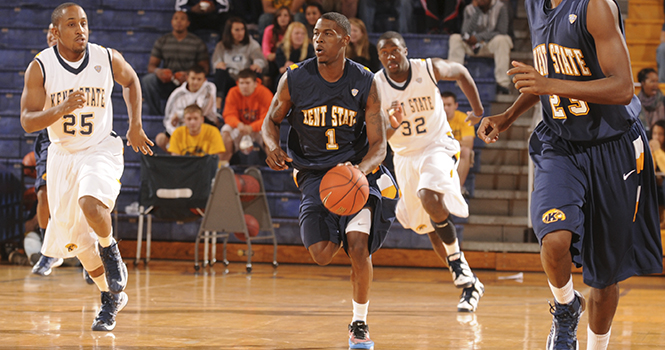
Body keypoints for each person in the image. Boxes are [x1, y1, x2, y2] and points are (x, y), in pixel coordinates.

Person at [477, 0, 663, 348]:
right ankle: (565, 309)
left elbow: (623, 88)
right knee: (554, 238)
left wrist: (550, 85)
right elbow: (550, 71)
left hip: (613, 146)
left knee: (604, 274)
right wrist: (508, 115)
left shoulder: (596, 7)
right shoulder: (535, 6)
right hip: (560, 142)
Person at [261, 12, 398, 349]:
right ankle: (335, 223)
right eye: (316, 33)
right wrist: (272, 146)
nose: (318, 40)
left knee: (358, 246)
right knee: (322, 253)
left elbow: (379, 146)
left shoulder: (365, 80)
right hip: (312, 174)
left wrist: (359, 173)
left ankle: (360, 323)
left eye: (327, 34)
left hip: (355, 172)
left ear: (345, 40)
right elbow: (270, 121)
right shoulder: (294, 78)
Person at [20, 2, 153, 331]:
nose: (80, 29)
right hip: (63, 154)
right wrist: (61, 108)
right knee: (78, 243)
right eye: (71, 24)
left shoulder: (106, 57)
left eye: (84, 23)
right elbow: (26, 121)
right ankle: (111, 298)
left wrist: (135, 125)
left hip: (100, 147)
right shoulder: (40, 67)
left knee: (90, 204)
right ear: (56, 32)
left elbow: (133, 81)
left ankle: (111, 250)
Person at [375, 31, 485, 312]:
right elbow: (380, 136)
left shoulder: (427, 68)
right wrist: (393, 124)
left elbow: (460, 71)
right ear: (379, 57)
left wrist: (477, 108)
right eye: (384, 52)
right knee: (428, 226)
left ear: (405, 50)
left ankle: (458, 263)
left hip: (437, 145)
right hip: (404, 156)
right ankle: (468, 282)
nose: (390, 56)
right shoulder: (375, 86)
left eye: (395, 50)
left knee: (428, 195)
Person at [141, 11, 210, 115]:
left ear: (188, 23)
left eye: (182, 19)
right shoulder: (162, 41)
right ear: (171, 22)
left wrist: (188, 75)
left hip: (188, 82)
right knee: (148, 80)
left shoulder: (197, 42)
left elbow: (205, 68)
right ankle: (156, 115)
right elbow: (151, 66)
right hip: (168, 80)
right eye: (176, 18)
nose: (179, 21)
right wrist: (159, 71)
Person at [447, 0, 513, 95]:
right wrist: (476, 11)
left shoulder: (501, 7)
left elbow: (502, 30)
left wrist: (479, 37)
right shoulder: (469, 9)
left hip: (489, 44)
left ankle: (503, 84)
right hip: (472, 45)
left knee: (503, 39)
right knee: (455, 38)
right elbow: (465, 31)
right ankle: (454, 78)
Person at [155, 65, 218, 152]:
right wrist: (177, 134)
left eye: (199, 79)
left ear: (204, 80)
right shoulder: (177, 94)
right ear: (187, 78)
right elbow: (168, 120)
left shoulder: (209, 88)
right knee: (161, 139)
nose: (195, 82)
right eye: (193, 78)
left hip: (205, 124)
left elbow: (201, 112)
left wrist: (180, 114)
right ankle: (179, 160)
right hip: (181, 129)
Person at [211, 17, 267, 111]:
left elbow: (260, 60)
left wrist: (258, 64)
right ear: (229, 31)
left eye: (242, 29)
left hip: (246, 78)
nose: (240, 33)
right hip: (230, 78)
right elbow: (215, 62)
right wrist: (219, 64)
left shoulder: (252, 44)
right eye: (237, 30)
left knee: (257, 72)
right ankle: (218, 104)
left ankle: (256, 102)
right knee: (219, 72)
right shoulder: (221, 46)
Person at [221, 69, 273, 163]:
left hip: (259, 128)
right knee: (225, 131)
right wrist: (238, 124)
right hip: (240, 127)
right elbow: (228, 114)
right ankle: (223, 165)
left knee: (272, 133)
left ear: (255, 83)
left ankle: (275, 167)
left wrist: (252, 127)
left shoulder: (265, 93)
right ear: (237, 83)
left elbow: (268, 118)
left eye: (247, 83)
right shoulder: (233, 92)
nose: (244, 86)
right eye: (241, 83)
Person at [441, 91, 476, 190]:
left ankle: (457, 188)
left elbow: (469, 144)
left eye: (449, 105)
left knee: (466, 151)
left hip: (455, 150)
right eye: (443, 105)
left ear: (456, 105)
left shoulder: (463, 118)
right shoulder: (434, 119)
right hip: (438, 150)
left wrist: (448, 140)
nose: (446, 108)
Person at [262, 6, 293, 89]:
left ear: (290, 18)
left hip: (290, 59)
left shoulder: (293, 30)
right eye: (279, 15)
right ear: (276, 18)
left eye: (285, 15)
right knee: (269, 69)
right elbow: (266, 51)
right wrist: (273, 55)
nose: (282, 18)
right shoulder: (269, 30)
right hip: (274, 61)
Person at [650, 120, 665, 228]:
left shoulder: (660, 151)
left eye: (660, 134)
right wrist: (651, 152)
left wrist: (658, 150)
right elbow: (651, 168)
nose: (656, 137)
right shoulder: (651, 148)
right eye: (654, 133)